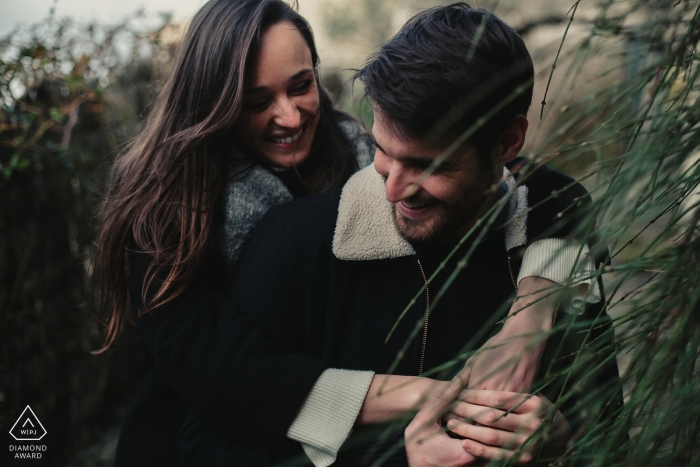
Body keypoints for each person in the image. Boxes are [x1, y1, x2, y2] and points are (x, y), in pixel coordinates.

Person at [95, 0, 614, 465]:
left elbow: (542, 189)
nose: (289, 115)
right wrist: (432, 398)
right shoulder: (170, 215)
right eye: (256, 101)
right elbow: (228, 381)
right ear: (213, 103)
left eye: (301, 85)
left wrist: (528, 321)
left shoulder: (354, 151)